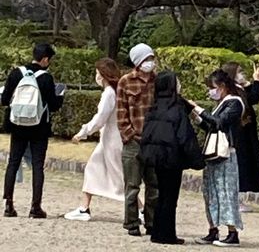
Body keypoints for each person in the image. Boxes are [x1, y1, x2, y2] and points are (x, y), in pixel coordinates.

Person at [1, 42, 64, 218]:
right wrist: (60, 98)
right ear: (45, 59)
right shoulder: (46, 78)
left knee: (13, 162)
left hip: (17, 125)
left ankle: (9, 205)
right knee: (37, 165)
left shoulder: (16, 73)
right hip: (39, 127)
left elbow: (5, 100)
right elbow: (52, 105)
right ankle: (35, 207)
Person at [140, 70, 204, 245]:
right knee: (170, 197)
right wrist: (197, 160)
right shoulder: (177, 109)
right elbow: (185, 136)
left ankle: (157, 231)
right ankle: (166, 234)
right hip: (172, 157)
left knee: (161, 195)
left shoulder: (154, 107)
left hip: (157, 157)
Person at [64, 58, 124, 221]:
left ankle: (140, 210)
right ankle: (84, 208)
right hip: (109, 139)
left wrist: (83, 132)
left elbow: (100, 119)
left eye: (97, 73)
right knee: (93, 168)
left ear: (103, 75)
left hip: (112, 140)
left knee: (119, 177)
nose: (96, 76)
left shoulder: (109, 94)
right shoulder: (115, 92)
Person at [194, 69, 246, 247]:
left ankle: (232, 233)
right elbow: (212, 128)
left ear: (223, 86)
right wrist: (198, 118)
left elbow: (219, 123)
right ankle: (213, 229)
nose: (211, 91)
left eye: (213, 87)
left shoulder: (234, 103)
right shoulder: (222, 102)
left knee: (226, 192)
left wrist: (198, 110)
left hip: (226, 155)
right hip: (214, 154)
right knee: (210, 193)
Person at [117, 43, 159, 237]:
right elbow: (121, 112)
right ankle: (132, 222)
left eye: (151, 58)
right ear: (137, 61)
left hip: (153, 141)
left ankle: (151, 222)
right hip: (133, 142)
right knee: (132, 186)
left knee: (154, 185)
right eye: (146, 59)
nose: (150, 62)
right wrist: (129, 135)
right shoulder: (125, 82)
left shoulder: (158, 81)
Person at [222, 61, 259, 196]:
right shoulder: (234, 91)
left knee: (246, 164)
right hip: (240, 135)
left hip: (245, 133)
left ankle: (240, 195)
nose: (242, 74)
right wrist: (257, 82)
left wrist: (250, 84)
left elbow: (251, 98)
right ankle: (237, 197)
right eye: (239, 72)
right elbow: (252, 98)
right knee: (241, 164)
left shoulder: (238, 88)